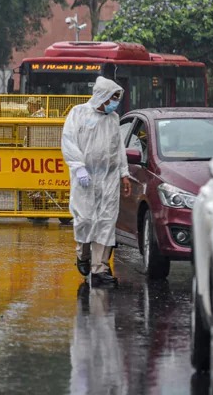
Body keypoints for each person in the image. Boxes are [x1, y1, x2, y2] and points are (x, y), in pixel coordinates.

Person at [61, 76, 132, 287]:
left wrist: (124, 174)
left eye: (117, 98)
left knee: (106, 221)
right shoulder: (78, 113)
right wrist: (78, 167)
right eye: (113, 98)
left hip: (109, 178)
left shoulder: (113, 119)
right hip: (85, 177)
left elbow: (119, 149)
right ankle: (82, 255)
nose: (115, 102)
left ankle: (99, 268)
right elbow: (68, 141)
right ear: (102, 96)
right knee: (85, 219)